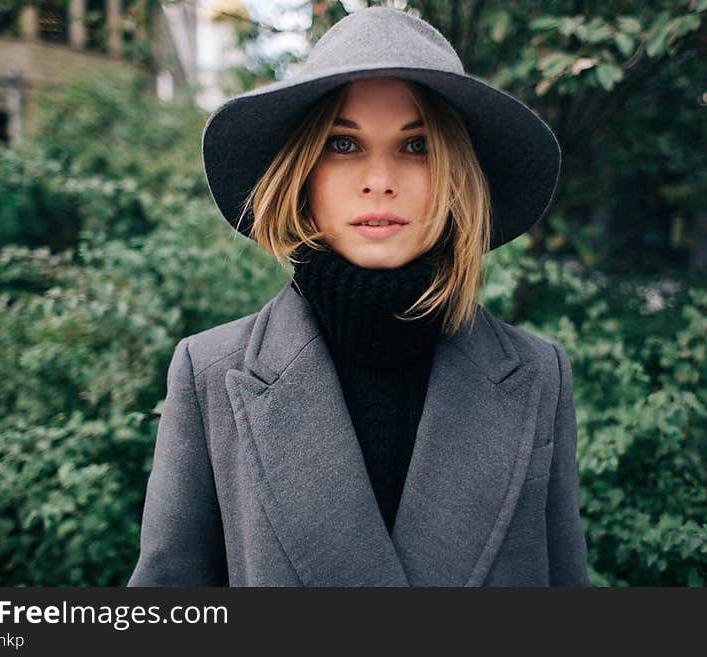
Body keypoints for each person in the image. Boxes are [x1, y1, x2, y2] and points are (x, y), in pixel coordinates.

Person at [128, 6, 589, 587]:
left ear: (457, 177)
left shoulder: (539, 376)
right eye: (343, 144)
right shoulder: (210, 375)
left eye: (416, 147)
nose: (379, 179)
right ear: (302, 174)